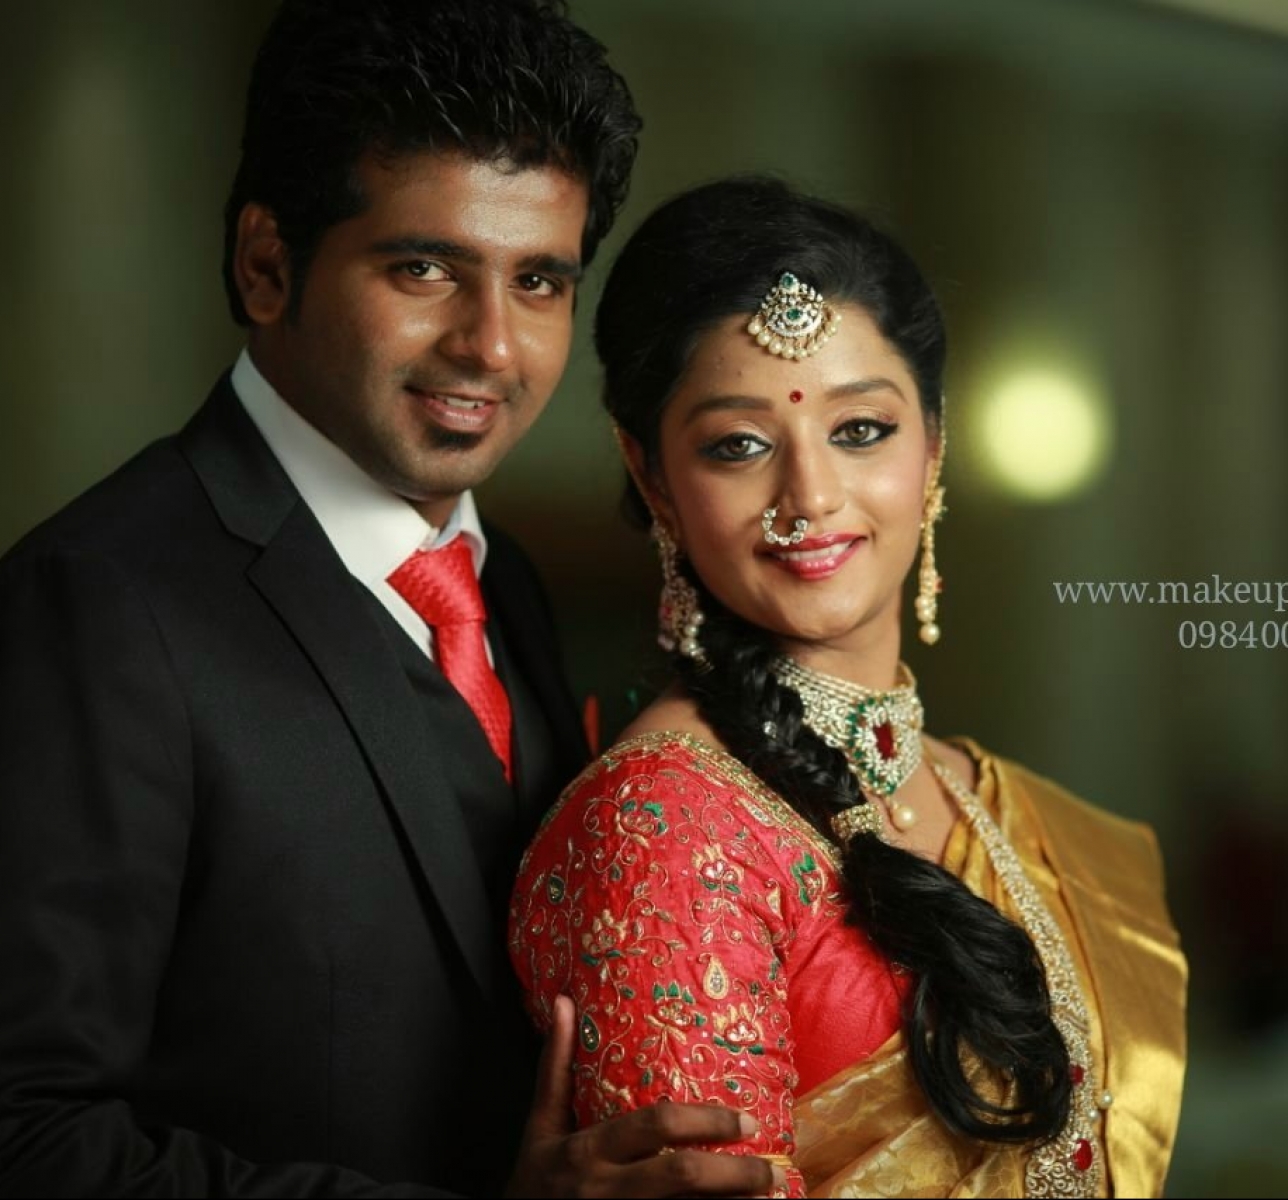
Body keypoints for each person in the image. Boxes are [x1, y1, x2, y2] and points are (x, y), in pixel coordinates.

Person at [0, 2, 776, 1196]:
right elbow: (24, 1135)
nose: (492, 347)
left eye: (539, 282)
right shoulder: (94, 603)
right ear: (267, 265)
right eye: (424, 269)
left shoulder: (504, 585)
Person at [508, 177, 1189, 1198]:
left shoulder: (994, 800)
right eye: (739, 446)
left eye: (861, 430)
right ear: (652, 479)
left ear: (935, 444)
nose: (812, 497)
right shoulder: (664, 828)